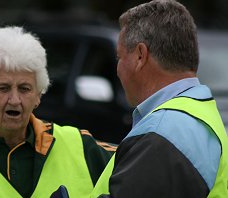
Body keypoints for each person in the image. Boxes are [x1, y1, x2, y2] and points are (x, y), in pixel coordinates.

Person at [0, 26, 116, 198]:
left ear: (38, 95)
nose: (15, 100)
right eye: (3, 88)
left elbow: (139, 164)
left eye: (25, 89)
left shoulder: (80, 148)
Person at [91, 0, 228, 197]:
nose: (118, 68)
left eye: (119, 57)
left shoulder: (161, 133)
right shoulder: (199, 113)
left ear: (140, 55)